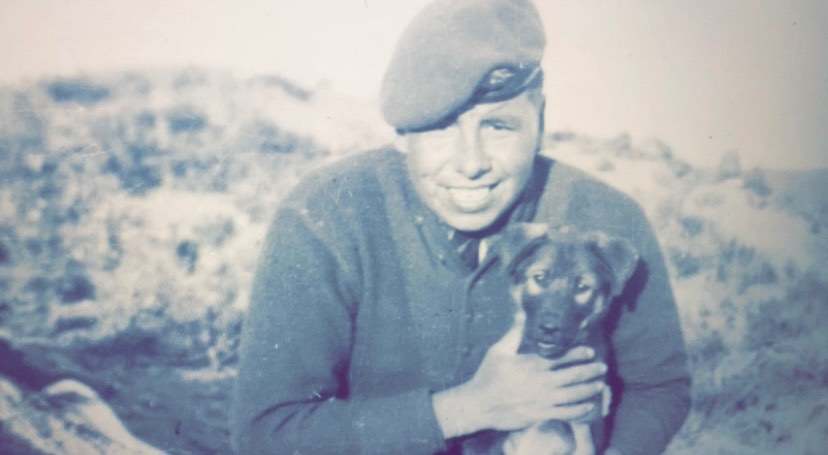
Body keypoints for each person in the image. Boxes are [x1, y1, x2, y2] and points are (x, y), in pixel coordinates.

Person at [230, 0, 690, 454]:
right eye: (441, 128)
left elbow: (659, 387)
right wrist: (469, 408)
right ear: (402, 133)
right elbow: (266, 433)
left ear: (540, 121)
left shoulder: (606, 219)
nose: (471, 163)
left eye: (499, 127)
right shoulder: (327, 215)